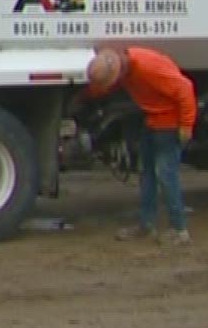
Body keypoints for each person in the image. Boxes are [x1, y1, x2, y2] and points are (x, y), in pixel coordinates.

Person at [84, 45, 197, 245]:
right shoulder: (125, 67)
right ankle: (146, 225)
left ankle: (179, 229)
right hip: (153, 121)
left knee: (166, 175)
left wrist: (186, 126)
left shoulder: (148, 67)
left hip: (168, 124)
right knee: (147, 174)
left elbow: (184, 88)